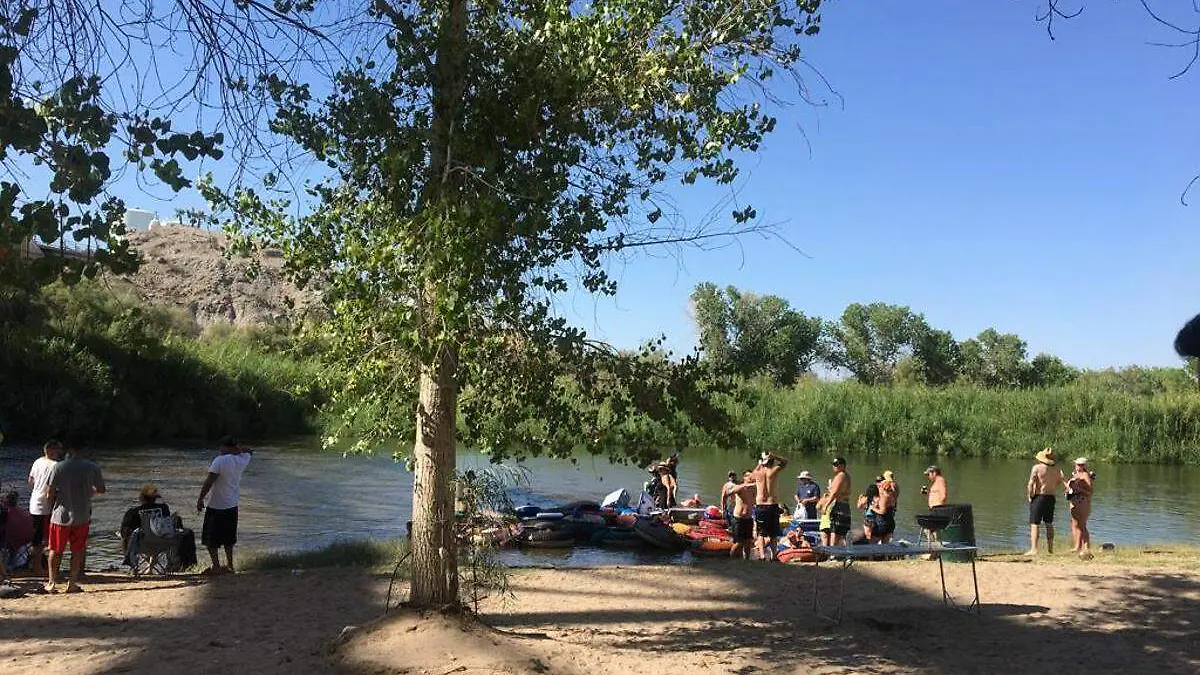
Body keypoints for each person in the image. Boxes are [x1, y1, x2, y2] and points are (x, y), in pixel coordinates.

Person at [45, 441, 106, 593]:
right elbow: (101, 489)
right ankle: (71, 583)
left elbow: (49, 492)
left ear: (70, 450)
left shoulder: (58, 467)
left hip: (60, 515)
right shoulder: (93, 467)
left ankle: (52, 583)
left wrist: (52, 506)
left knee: (55, 550)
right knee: (77, 550)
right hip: (82, 514)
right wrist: (89, 491)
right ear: (84, 449)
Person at [196, 437, 253, 575]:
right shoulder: (242, 460)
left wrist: (200, 498)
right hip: (232, 505)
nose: (219, 449)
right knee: (229, 539)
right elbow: (250, 451)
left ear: (226, 447)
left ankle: (216, 566)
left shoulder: (220, 460)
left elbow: (210, 481)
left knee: (210, 539)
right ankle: (230, 565)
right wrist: (239, 449)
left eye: (221, 446)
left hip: (216, 505)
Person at [27, 439, 63, 577]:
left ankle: (35, 565)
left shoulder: (37, 461)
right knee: (42, 540)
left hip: (34, 502)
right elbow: (51, 489)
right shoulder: (55, 465)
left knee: (36, 537)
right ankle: (37, 568)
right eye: (58, 449)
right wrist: (53, 505)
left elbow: (30, 481)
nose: (60, 452)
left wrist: (38, 489)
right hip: (45, 506)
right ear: (50, 450)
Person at [1026, 447, 1064, 556]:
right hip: (1051, 497)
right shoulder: (1057, 469)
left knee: (1035, 524)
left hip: (1039, 496)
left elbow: (1031, 483)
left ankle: (1034, 549)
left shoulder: (1037, 468)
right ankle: (1050, 549)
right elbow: (1059, 482)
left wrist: (1029, 495)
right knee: (1049, 523)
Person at [751, 451, 789, 561]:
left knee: (761, 533)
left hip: (761, 505)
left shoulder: (757, 473)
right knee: (773, 533)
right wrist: (774, 456)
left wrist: (759, 464)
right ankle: (773, 556)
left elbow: (751, 476)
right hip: (772, 505)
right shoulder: (773, 471)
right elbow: (785, 462)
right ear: (772, 461)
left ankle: (762, 556)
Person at [818, 457, 853, 547]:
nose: (834, 466)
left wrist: (826, 505)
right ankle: (845, 552)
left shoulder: (840, 476)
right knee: (843, 533)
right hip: (846, 506)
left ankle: (833, 553)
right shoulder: (847, 476)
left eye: (836, 464)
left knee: (835, 533)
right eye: (834, 464)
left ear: (843, 465)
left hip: (840, 506)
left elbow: (834, 493)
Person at [1066, 457, 1095, 560]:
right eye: (1078, 464)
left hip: (1083, 503)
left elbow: (1090, 491)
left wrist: (1078, 489)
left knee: (1082, 525)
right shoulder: (1075, 475)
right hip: (1074, 502)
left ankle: (1086, 547)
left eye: (1081, 465)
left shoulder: (1085, 475)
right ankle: (1077, 547)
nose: (1079, 466)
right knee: (1075, 524)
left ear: (1085, 466)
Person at [3, 491, 34, 570]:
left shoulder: (6, 513)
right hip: (27, 541)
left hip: (13, 541)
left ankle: (6, 566)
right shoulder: (23, 512)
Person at [922, 465, 948, 543]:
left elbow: (943, 495)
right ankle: (936, 547)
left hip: (937, 509)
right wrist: (927, 493)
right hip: (934, 509)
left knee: (927, 529)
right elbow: (935, 495)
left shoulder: (940, 480)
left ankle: (934, 546)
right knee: (934, 531)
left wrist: (938, 508)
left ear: (934, 473)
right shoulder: (936, 482)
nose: (928, 477)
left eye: (928, 474)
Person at [872, 475, 897, 544]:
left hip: (882, 523)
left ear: (884, 487)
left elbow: (882, 511)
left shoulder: (884, 497)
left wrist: (874, 508)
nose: (879, 487)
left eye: (880, 486)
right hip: (891, 522)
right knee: (885, 546)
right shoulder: (892, 496)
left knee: (872, 544)